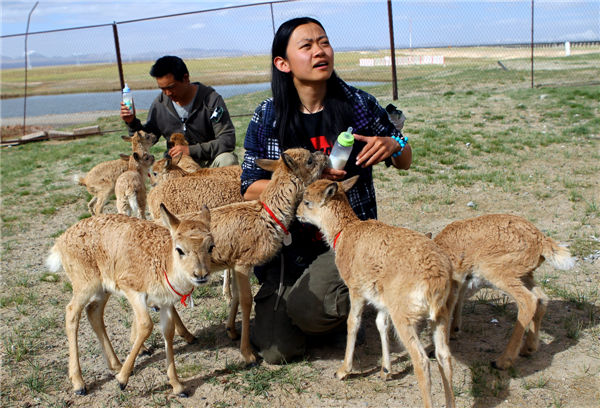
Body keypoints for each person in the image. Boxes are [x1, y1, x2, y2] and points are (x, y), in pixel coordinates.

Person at [241, 17, 412, 364]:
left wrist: (394, 143)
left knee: (308, 312)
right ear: (283, 63)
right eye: (306, 46)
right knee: (277, 351)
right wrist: (304, 184)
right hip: (287, 248)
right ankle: (322, 304)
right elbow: (248, 188)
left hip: (346, 244)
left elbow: (405, 158)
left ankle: (343, 301)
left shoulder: (358, 104)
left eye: (324, 42)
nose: (320, 51)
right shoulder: (268, 115)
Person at [120, 55, 238, 168]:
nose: (167, 93)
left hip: (209, 164)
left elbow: (227, 140)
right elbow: (146, 140)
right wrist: (131, 122)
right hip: (177, 167)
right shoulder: (160, 104)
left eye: (171, 87)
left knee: (228, 160)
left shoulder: (211, 100)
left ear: (186, 78)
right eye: (162, 89)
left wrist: (190, 150)